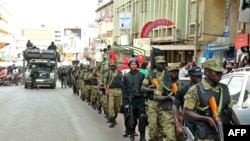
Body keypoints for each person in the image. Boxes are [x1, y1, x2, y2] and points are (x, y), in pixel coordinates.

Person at [183, 59, 241, 141]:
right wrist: (206, 119)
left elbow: (229, 110)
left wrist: (238, 125)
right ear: (206, 72)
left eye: (221, 72)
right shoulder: (196, 89)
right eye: (216, 72)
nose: (219, 75)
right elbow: (186, 112)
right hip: (206, 136)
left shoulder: (224, 88)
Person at [141, 55, 170, 141]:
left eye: (163, 63)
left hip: (164, 103)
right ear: (156, 64)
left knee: (161, 127)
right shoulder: (151, 73)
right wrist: (153, 90)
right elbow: (142, 88)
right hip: (152, 103)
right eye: (159, 63)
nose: (161, 65)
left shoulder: (168, 74)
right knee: (153, 127)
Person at [172, 67, 203, 138]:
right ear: (190, 76)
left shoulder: (205, 89)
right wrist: (178, 125)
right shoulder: (183, 90)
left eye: (200, 76)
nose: (200, 78)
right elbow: (175, 106)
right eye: (197, 76)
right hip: (189, 123)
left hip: (203, 122)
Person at [122, 58, 147, 141]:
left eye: (135, 64)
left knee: (143, 118)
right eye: (132, 64)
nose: (134, 65)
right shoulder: (126, 76)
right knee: (131, 119)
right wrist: (125, 102)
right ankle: (131, 134)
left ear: (137, 65)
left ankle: (142, 136)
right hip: (130, 101)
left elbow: (145, 87)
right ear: (129, 65)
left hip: (140, 100)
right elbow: (124, 90)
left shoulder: (141, 75)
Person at [104, 61, 123, 128]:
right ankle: (112, 121)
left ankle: (114, 118)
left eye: (114, 65)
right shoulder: (108, 73)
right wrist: (106, 90)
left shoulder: (120, 73)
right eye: (111, 65)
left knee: (117, 107)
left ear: (115, 66)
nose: (112, 66)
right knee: (111, 106)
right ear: (110, 66)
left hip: (118, 91)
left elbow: (122, 82)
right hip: (111, 91)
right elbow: (105, 83)